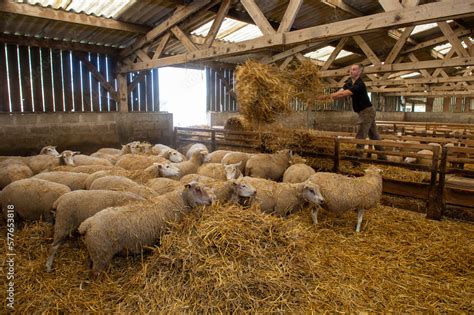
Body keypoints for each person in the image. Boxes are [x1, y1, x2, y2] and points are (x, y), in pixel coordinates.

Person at [316, 63, 385, 160]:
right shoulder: (349, 82)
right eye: (351, 69)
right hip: (364, 111)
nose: (351, 71)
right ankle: (383, 157)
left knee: (361, 135)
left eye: (354, 69)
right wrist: (328, 96)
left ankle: (357, 158)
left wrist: (325, 97)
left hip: (367, 111)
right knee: (374, 135)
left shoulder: (360, 84)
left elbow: (344, 94)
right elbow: (340, 91)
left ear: (359, 71)